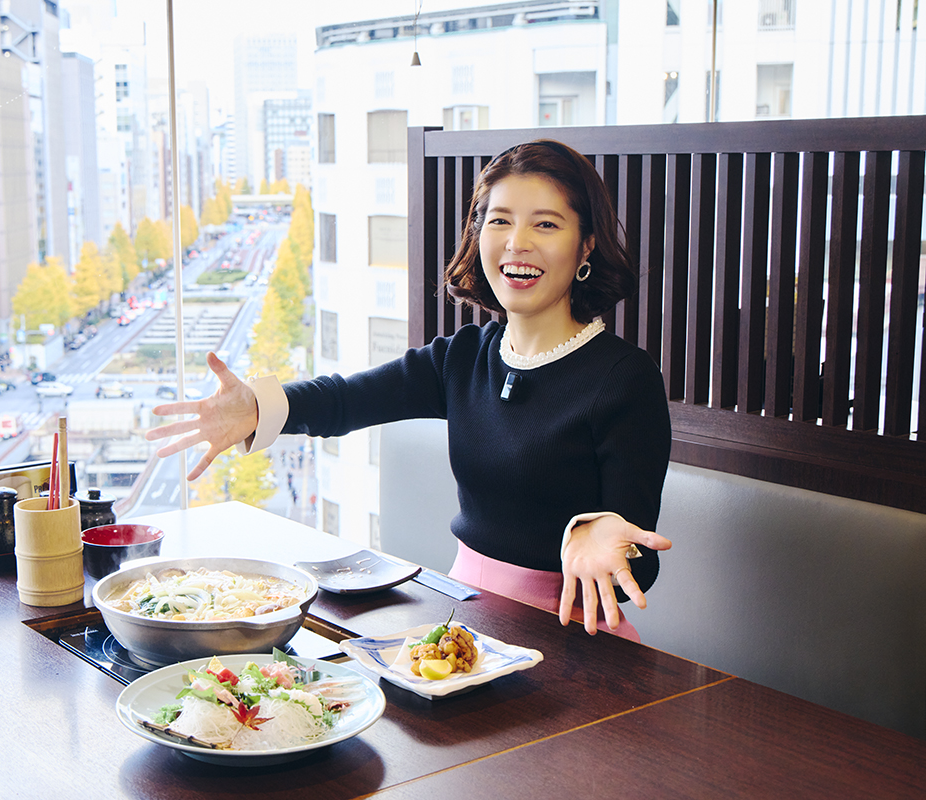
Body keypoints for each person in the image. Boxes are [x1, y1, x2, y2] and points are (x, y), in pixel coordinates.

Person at [146, 139, 672, 640]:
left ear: (587, 243)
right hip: (465, 619)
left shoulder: (624, 378)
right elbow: (347, 398)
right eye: (500, 221)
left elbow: (639, 561)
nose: (517, 243)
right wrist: (256, 408)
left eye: (546, 224)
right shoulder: (463, 357)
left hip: (572, 642)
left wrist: (597, 531)